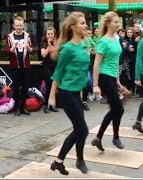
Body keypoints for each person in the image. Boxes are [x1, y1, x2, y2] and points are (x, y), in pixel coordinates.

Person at [48, 11, 90, 175]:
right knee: (82, 130)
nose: (85, 25)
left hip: (77, 93)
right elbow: (58, 74)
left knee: (80, 129)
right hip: (66, 93)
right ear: (73, 27)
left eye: (85, 22)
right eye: (82, 23)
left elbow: (79, 71)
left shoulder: (85, 43)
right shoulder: (66, 49)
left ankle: (78, 160)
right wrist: (52, 96)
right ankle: (60, 161)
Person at [91, 11, 125, 151]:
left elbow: (116, 61)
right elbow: (96, 64)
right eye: (115, 22)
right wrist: (95, 85)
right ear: (108, 23)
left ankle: (98, 138)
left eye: (118, 22)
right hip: (104, 76)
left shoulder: (116, 38)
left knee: (115, 109)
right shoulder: (103, 41)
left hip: (112, 76)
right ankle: (115, 138)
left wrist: (117, 79)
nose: (118, 24)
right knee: (119, 109)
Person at [5, 16, 33, 116]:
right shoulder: (9, 37)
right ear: (14, 25)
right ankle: (17, 108)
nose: (19, 27)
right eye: (17, 25)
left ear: (23, 25)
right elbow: (7, 51)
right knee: (16, 88)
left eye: (21, 25)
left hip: (25, 66)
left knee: (25, 87)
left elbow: (31, 50)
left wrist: (28, 47)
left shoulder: (27, 36)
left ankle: (24, 107)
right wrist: (13, 48)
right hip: (14, 66)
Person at [40, 26, 59, 113]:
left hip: (55, 66)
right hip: (47, 67)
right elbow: (43, 54)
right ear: (45, 35)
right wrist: (49, 45)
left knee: (54, 86)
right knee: (48, 85)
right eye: (48, 34)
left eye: (52, 34)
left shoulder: (57, 43)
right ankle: (45, 104)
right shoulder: (43, 43)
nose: (50, 35)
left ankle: (52, 104)